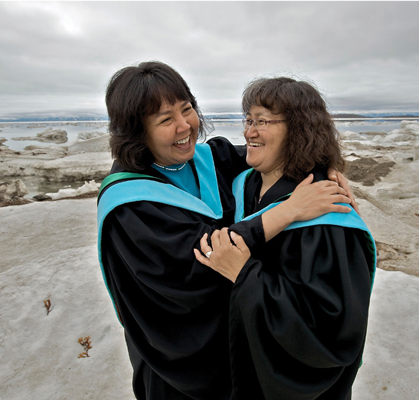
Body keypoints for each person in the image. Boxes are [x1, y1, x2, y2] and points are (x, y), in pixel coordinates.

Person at [97, 62, 356, 400]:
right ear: (136, 133)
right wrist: (290, 210)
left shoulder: (208, 159)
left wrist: (325, 164)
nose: (184, 126)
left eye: (187, 109)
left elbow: (277, 150)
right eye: (165, 120)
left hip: (239, 348)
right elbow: (207, 257)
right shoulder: (130, 207)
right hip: (179, 359)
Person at [195, 77, 376, 400]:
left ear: (300, 129)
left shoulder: (327, 217)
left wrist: (245, 275)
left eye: (263, 121)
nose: (249, 131)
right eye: (248, 120)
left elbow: (331, 333)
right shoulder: (244, 185)